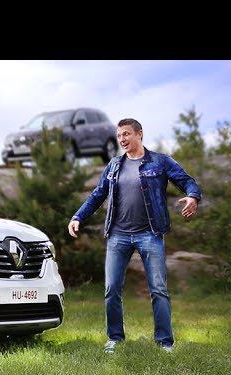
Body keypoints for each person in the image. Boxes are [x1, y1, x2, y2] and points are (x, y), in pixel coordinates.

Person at [67, 118, 201, 353]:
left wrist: (192, 196)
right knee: (111, 289)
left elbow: (186, 181)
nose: (122, 139)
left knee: (158, 289)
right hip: (117, 235)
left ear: (140, 134)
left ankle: (165, 342)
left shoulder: (160, 161)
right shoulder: (114, 165)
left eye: (126, 134)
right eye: (119, 136)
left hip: (150, 234)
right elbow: (98, 194)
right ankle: (115, 338)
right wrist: (78, 216)